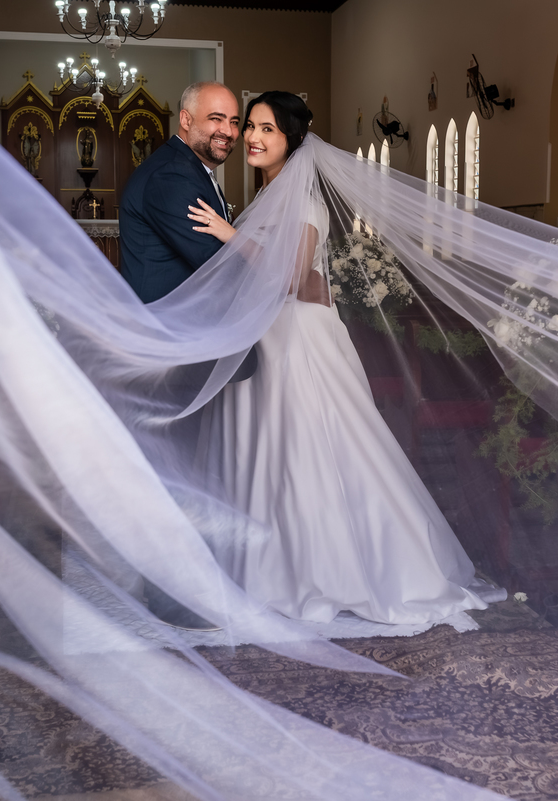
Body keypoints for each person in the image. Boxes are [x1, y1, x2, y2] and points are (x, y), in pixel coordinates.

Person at [188, 91, 487, 625]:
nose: (252, 137)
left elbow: (293, 277)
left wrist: (230, 235)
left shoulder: (304, 203)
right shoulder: (267, 199)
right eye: (249, 126)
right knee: (274, 454)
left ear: (291, 142)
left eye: (266, 129)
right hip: (269, 339)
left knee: (313, 452)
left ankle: (331, 572)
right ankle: (272, 568)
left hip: (299, 343)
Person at [119, 81, 240, 304]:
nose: (228, 131)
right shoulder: (172, 175)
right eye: (216, 118)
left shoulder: (190, 168)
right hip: (165, 325)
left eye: (234, 122)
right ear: (185, 120)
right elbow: (216, 266)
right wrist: (279, 275)